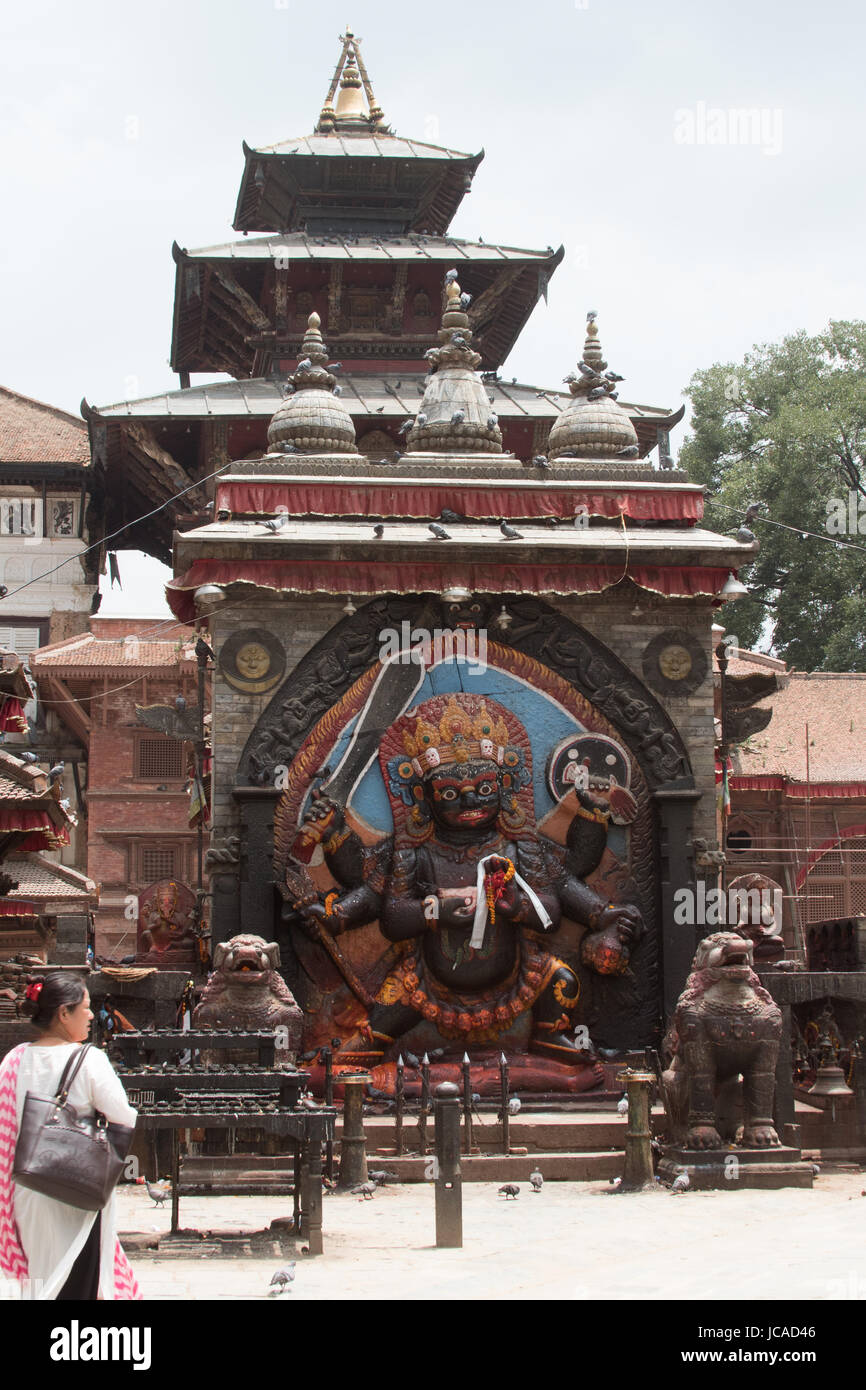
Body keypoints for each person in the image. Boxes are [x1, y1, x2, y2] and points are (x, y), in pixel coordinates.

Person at [0, 973, 140, 1300]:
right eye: (86, 1008)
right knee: (81, 1285)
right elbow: (124, 1116)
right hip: (77, 1191)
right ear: (64, 1013)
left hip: (28, 1191)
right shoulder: (89, 1060)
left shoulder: (13, 1060)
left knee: (40, 1280)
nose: (92, 1016)